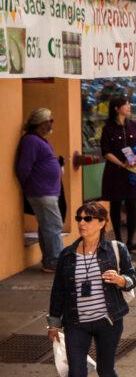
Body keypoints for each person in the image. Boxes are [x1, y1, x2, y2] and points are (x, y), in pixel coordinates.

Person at [47, 201, 136, 377]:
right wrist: (53, 323)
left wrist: (121, 280)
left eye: (88, 218)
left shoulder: (116, 250)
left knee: (106, 369)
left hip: (108, 321)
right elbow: (58, 292)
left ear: (102, 223)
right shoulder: (67, 255)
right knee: (76, 376)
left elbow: (131, 277)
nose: (82, 223)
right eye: (79, 218)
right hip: (76, 323)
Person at [17, 108, 64, 272]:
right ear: (41, 123)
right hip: (41, 191)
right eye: (50, 120)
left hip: (47, 190)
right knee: (54, 226)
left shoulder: (39, 140)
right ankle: (55, 261)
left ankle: (49, 261)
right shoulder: (31, 140)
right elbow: (24, 167)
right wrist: (30, 185)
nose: (52, 123)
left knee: (47, 226)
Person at [99, 96, 136, 251]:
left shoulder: (133, 126)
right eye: (126, 104)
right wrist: (121, 163)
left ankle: (130, 240)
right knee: (116, 205)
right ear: (116, 108)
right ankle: (118, 239)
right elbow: (105, 152)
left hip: (131, 172)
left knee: (132, 205)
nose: (129, 107)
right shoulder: (108, 128)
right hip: (115, 172)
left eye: (129, 104)